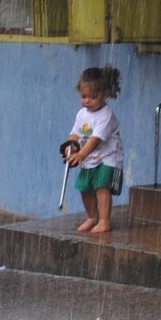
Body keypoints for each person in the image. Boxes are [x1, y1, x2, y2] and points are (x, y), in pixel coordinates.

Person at [66, 65, 124, 234]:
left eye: (92, 97)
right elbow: (75, 133)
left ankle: (105, 220)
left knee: (101, 187)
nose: (87, 101)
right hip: (89, 159)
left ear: (104, 94)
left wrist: (81, 154)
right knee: (84, 188)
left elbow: (95, 140)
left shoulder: (106, 115)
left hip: (108, 158)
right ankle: (92, 217)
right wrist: (71, 147)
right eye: (83, 96)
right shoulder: (81, 114)